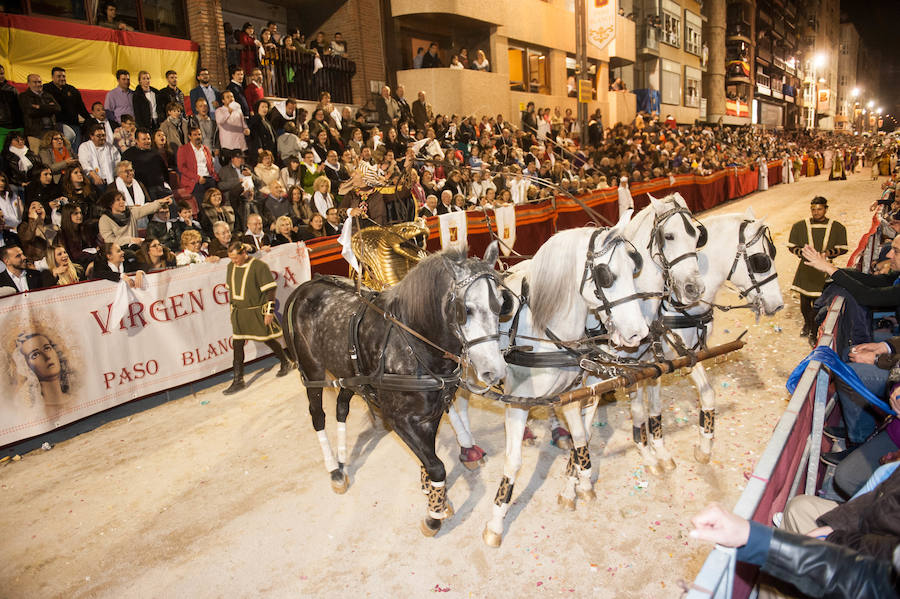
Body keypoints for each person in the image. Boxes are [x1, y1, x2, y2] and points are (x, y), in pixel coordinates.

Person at [689, 502, 899, 599]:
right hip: (867, 542)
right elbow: (870, 581)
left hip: (866, 543)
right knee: (800, 507)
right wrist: (751, 536)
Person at [221, 241, 294, 394]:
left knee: (266, 338)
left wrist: (269, 311)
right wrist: (232, 310)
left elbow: (270, 290)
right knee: (238, 344)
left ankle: (285, 361)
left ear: (243, 253)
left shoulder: (258, 267)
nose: (233, 261)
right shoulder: (230, 267)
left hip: (256, 310)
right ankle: (238, 380)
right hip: (239, 313)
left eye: (235, 258)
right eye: (231, 258)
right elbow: (232, 290)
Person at [788, 197, 848, 345]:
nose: (816, 212)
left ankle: (814, 330)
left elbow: (843, 248)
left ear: (826, 209)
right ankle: (807, 324)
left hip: (824, 268)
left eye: (819, 209)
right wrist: (803, 253)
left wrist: (827, 253)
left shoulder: (837, 227)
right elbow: (792, 246)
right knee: (804, 301)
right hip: (806, 267)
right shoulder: (800, 226)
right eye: (813, 209)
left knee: (818, 303)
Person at [13, 331, 73, 418]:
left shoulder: (79, 396)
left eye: (47, 348)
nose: (47, 356)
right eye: (35, 354)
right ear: (26, 366)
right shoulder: (36, 413)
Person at [97, 188, 171, 248]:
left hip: (135, 247)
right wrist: (130, 240)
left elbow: (145, 209)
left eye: (123, 199)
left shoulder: (131, 212)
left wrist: (161, 202)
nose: (122, 202)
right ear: (110, 203)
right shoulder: (104, 219)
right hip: (117, 250)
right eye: (118, 200)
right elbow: (109, 240)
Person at [42, 67, 90, 148]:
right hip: (56, 126)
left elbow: (81, 108)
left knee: (75, 149)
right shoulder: (45, 89)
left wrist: (90, 119)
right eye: (59, 76)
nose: (62, 78)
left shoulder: (72, 90)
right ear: (52, 77)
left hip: (73, 124)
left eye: (63, 76)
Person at [122, 128, 171, 200]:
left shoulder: (156, 153)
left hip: (161, 188)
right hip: (143, 190)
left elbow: (164, 171)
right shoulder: (128, 154)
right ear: (136, 140)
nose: (147, 141)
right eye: (144, 139)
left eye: (148, 139)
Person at [19, 74, 61, 153]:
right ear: (28, 83)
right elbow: (30, 112)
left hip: (50, 131)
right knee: (37, 156)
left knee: (52, 155)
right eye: (35, 82)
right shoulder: (24, 96)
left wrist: (40, 107)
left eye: (39, 82)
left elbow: (57, 108)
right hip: (35, 133)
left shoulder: (47, 95)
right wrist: (48, 108)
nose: (38, 84)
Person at [176, 126, 217, 206]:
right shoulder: (183, 149)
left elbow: (211, 165)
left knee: (214, 199)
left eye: (199, 134)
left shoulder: (205, 149)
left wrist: (214, 176)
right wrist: (197, 178)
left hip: (208, 178)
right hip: (194, 181)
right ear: (189, 136)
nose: (198, 137)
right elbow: (181, 168)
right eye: (195, 135)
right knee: (202, 202)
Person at [78, 123, 121, 191]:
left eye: (103, 135)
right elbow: (84, 164)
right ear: (91, 136)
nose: (102, 138)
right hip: (92, 182)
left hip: (110, 181)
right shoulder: (84, 147)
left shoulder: (111, 148)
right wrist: (94, 176)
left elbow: (118, 164)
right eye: (98, 136)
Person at [57, 203, 96, 268]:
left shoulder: (83, 229)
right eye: (76, 213)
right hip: (74, 264)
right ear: (68, 216)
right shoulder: (63, 234)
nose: (79, 216)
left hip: (87, 259)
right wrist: (93, 254)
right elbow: (74, 255)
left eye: (80, 213)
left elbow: (91, 245)